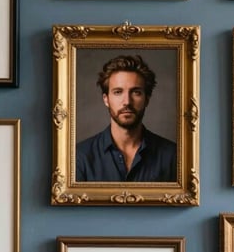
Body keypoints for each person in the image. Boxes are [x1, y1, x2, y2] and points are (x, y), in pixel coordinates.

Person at [76, 54, 177, 182]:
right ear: (106, 99)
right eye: (118, 92)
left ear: (147, 99)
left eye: (136, 92)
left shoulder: (173, 156)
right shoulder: (79, 157)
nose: (127, 102)